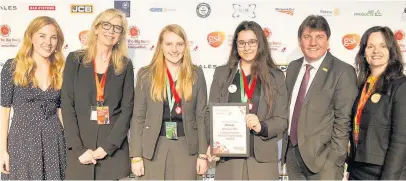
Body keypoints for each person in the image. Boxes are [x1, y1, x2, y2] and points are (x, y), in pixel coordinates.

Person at [207, 21, 288, 180]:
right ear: (236, 46)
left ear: (260, 44)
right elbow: (211, 113)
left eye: (252, 42)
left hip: (263, 159)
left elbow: (282, 120)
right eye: (242, 43)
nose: (247, 47)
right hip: (228, 159)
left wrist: (261, 126)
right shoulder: (222, 73)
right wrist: (213, 142)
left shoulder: (276, 76)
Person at [281, 15, 358, 180]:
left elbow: (343, 122)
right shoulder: (293, 67)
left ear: (328, 41)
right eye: (307, 37)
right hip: (292, 157)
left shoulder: (343, 72)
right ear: (299, 41)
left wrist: (333, 161)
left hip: (324, 163)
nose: (313, 43)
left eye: (319, 37)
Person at [61, 8, 133, 180]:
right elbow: (67, 105)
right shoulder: (75, 59)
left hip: (112, 154)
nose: (111, 31)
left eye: (117, 28)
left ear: (121, 35)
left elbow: (127, 109)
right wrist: (78, 148)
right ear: (97, 28)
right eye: (107, 25)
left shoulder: (124, 65)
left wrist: (108, 147)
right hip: (80, 153)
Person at [129, 24, 208, 180]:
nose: (174, 49)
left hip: (187, 147)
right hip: (153, 148)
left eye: (179, 44)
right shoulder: (146, 74)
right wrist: (136, 156)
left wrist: (203, 154)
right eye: (169, 44)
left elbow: (201, 115)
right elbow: (138, 117)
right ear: (161, 46)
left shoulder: (196, 74)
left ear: (185, 46)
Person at [0, 16, 66, 180]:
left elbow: (61, 112)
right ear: (31, 37)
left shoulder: (60, 69)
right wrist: (2, 150)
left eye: (53, 37)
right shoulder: (13, 66)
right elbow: (4, 112)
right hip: (22, 142)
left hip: (54, 141)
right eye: (42, 36)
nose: (48, 42)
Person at [347, 26, 406, 180]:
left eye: (382, 46)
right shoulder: (362, 85)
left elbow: (400, 141)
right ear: (364, 51)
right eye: (370, 46)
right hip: (357, 169)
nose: (376, 51)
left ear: (391, 50)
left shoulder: (401, 85)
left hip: (384, 172)